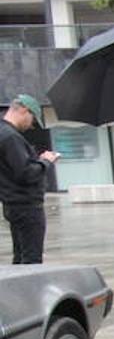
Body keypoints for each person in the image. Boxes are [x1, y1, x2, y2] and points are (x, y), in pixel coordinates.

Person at [0, 94, 59, 264]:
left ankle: (16, 289)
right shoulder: (11, 137)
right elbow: (26, 173)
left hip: (13, 205)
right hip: (26, 206)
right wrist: (46, 161)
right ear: (25, 111)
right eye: (33, 120)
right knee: (31, 259)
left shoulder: (4, 133)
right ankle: (28, 291)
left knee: (20, 257)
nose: (31, 126)